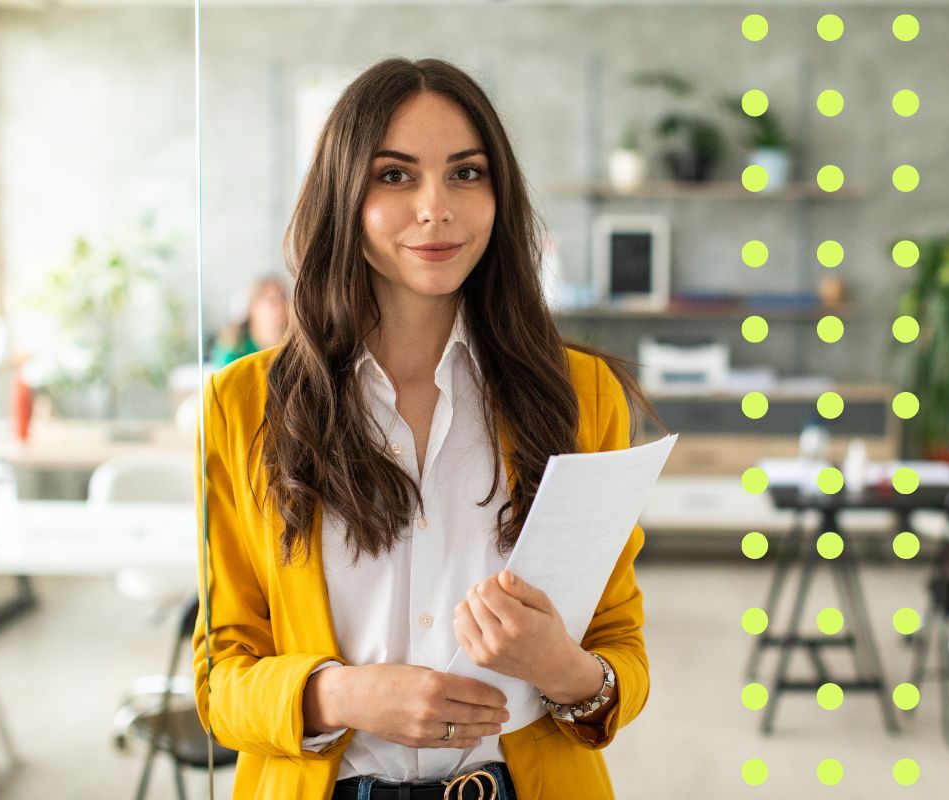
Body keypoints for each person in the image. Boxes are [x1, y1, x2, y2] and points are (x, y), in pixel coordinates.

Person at [192, 57, 661, 800]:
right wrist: (339, 695)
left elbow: (620, 655)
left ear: (498, 193)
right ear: (344, 195)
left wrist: (562, 668)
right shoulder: (244, 404)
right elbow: (220, 681)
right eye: (395, 175)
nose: (436, 208)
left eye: (467, 174)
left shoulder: (580, 396)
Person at [209, 275, 290, 367]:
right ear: (253, 306)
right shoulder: (235, 351)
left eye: (283, 297)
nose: (280, 305)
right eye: (271, 299)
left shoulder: (296, 347)